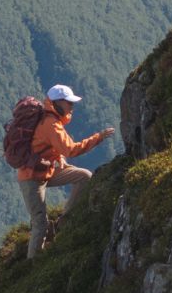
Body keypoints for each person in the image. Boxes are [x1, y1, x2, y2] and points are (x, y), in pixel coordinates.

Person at [17, 84, 113, 258]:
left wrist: (58, 159)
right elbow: (71, 150)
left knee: (84, 176)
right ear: (58, 102)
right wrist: (98, 138)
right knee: (40, 224)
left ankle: (64, 222)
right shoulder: (51, 124)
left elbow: (45, 146)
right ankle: (32, 265)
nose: (72, 107)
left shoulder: (50, 119)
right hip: (31, 177)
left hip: (46, 170)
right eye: (69, 103)